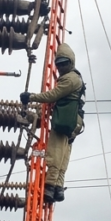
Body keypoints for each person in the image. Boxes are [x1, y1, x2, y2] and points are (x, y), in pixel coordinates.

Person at [20, 43, 85, 204]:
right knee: (63, 156)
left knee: (55, 153)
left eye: (64, 64)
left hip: (65, 120)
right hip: (74, 122)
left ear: (71, 62)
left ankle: (50, 186)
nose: (61, 68)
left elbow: (52, 95)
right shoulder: (76, 78)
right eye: (59, 64)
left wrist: (31, 97)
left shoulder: (70, 79)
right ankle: (58, 188)